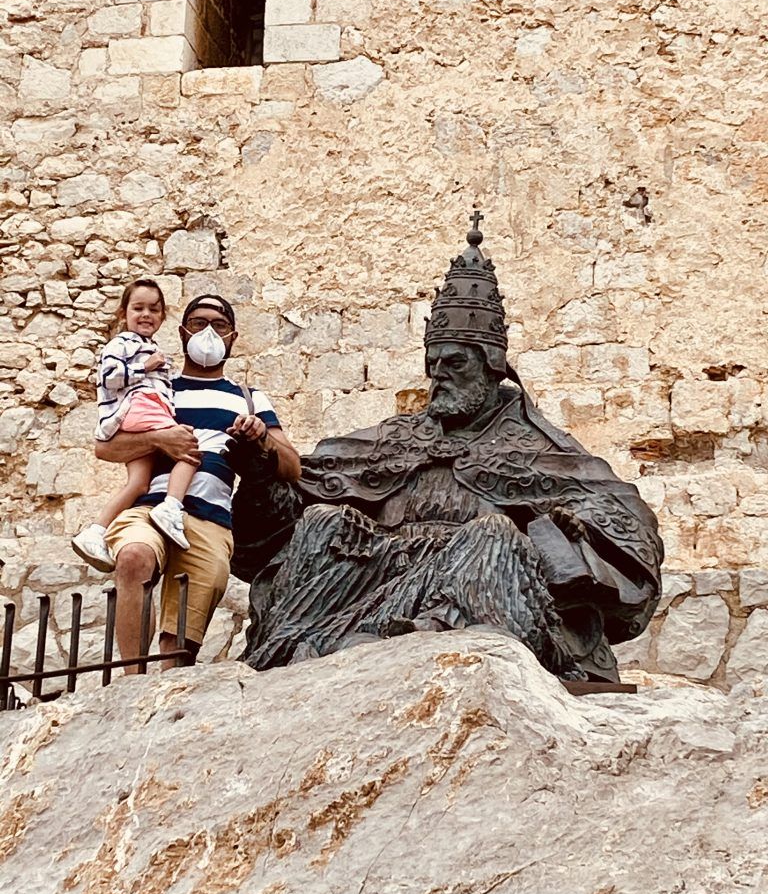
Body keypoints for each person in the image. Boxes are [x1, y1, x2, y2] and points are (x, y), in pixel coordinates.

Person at [234, 218, 663, 682]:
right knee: (323, 522)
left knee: (493, 535)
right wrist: (261, 472)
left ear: (491, 366)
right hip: (375, 578)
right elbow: (281, 524)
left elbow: (625, 529)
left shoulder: (545, 450)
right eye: (433, 364)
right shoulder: (390, 439)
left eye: (455, 362)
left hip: (479, 580)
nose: (440, 375)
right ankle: (306, 640)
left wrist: (574, 526)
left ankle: (440, 631)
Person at [94, 294, 301, 670]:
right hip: (151, 507)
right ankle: (131, 686)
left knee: (181, 644)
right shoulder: (159, 387)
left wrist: (261, 437)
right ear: (182, 331)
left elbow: (292, 466)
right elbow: (105, 447)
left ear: (233, 337)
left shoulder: (249, 399)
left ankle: (167, 689)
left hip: (211, 519)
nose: (208, 332)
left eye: (218, 325)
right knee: (134, 557)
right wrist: (158, 440)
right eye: (199, 322)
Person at [72, 279, 198, 573]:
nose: (146, 315)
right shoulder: (122, 343)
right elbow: (109, 377)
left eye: (154, 309)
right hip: (142, 406)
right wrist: (147, 367)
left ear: (162, 316)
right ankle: (170, 508)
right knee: (188, 448)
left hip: (142, 411)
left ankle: (96, 531)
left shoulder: (147, 345)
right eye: (138, 308)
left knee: (139, 483)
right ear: (123, 313)